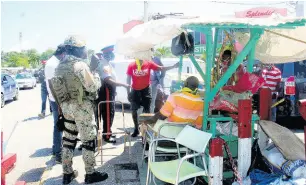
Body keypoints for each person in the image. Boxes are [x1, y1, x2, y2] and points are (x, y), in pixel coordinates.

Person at [50, 35, 108, 184]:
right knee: (88, 140)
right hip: (82, 108)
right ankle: (90, 174)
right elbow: (93, 86)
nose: (86, 50)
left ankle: (67, 173)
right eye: (84, 48)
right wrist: (94, 72)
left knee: (68, 140)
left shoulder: (59, 66)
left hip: (67, 107)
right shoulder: (80, 65)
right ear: (77, 49)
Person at [126, 58, 179, 137]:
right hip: (135, 91)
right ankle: (136, 129)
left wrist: (173, 66)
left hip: (146, 90)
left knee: (147, 112)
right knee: (134, 110)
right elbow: (128, 80)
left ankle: (145, 132)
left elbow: (161, 68)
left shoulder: (148, 63)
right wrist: (128, 92)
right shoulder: (131, 65)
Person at [93, 45, 129, 143]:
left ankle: (105, 132)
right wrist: (124, 85)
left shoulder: (107, 63)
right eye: (111, 53)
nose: (112, 55)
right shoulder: (105, 65)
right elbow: (108, 80)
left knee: (104, 114)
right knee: (108, 113)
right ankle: (107, 135)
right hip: (106, 92)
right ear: (107, 54)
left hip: (107, 91)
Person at [45, 45, 65, 163]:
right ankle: (58, 153)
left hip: (55, 98)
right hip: (57, 100)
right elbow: (54, 85)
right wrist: (59, 103)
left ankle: (55, 149)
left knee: (58, 125)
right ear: (63, 53)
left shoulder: (52, 62)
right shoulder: (53, 64)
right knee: (59, 126)